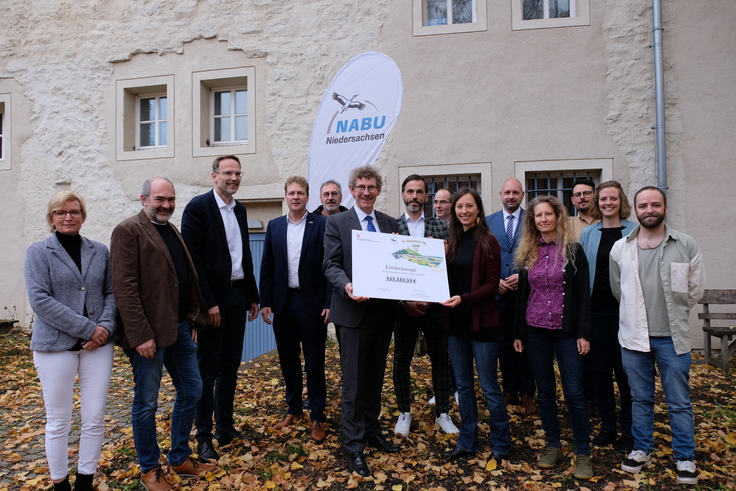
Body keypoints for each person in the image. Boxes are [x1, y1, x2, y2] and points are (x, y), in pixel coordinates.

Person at [111, 178, 216, 491]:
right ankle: (148, 469)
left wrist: (192, 321)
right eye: (160, 199)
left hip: (179, 329)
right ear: (144, 198)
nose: (167, 205)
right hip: (148, 336)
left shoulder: (170, 229)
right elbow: (124, 288)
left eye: (171, 199)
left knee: (193, 390)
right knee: (146, 403)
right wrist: (140, 334)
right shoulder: (128, 231)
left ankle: (179, 456)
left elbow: (185, 279)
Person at [610, 186, 705, 485]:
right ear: (635, 209)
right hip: (634, 337)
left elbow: (694, 290)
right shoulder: (620, 248)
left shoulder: (685, 244)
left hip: (671, 338)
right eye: (643, 205)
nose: (649, 209)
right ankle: (642, 449)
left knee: (679, 401)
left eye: (655, 204)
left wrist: (672, 315)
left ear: (664, 207)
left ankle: (684, 457)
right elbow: (618, 290)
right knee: (640, 399)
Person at [24, 192, 117, 491]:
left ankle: (85, 481)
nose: (68, 217)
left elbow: (111, 293)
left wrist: (104, 327)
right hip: (54, 346)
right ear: (51, 217)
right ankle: (60, 484)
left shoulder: (99, 251)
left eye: (75, 212)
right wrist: (88, 329)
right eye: (61, 212)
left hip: (97, 348)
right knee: (59, 420)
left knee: (94, 417)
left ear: (83, 215)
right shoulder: (38, 252)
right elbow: (40, 300)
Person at [323, 165, 400, 477]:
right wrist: (346, 286)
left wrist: (398, 250)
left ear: (378, 191)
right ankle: (354, 444)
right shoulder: (338, 222)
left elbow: (400, 265)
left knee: (374, 377)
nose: (366, 192)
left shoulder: (389, 223)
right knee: (354, 380)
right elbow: (330, 264)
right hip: (352, 314)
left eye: (372, 187)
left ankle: (371, 429)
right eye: (361, 187)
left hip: (382, 314)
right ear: (352, 190)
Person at [181, 155, 259, 461]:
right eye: (228, 173)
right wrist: (208, 302)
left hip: (238, 297)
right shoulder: (198, 208)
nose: (234, 178)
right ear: (214, 176)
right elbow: (193, 261)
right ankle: (203, 437)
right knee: (207, 371)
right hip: (212, 301)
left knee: (230, 367)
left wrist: (252, 294)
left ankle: (224, 427)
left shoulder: (239, 209)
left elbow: (242, 256)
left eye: (238, 173)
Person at [513, 195, 593, 480]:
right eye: (538, 216)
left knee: (574, 392)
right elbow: (523, 295)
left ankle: (583, 451)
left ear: (558, 217)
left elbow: (584, 294)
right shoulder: (527, 252)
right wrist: (519, 332)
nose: (543, 219)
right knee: (544, 392)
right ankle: (554, 445)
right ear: (532, 221)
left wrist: (584, 332)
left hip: (566, 333)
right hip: (535, 332)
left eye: (548, 214)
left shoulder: (573, 251)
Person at [439, 188, 510, 462]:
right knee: (464, 388)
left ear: (478, 209)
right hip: (455, 324)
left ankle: (501, 443)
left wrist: (463, 299)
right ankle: (467, 442)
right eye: (459, 207)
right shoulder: (452, 241)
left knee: (490, 387)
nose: (464, 211)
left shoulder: (489, 241)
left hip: (483, 325)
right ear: (454, 211)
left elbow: (492, 286)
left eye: (469, 206)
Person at [259, 176, 331, 443]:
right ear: (286, 197)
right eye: (291, 193)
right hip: (283, 304)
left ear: (307, 197)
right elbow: (267, 266)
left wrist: (328, 302)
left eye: (301, 193)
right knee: (288, 360)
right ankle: (293, 409)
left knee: (314, 362)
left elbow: (329, 265)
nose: (296, 197)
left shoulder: (321, 224)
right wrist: (265, 300)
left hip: (311, 303)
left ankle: (317, 416)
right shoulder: (275, 226)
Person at [393, 174, 458, 437]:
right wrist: (404, 301)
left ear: (426, 197)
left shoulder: (441, 227)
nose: (415, 197)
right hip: (405, 306)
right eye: (410, 191)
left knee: (440, 358)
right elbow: (389, 271)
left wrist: (446, 254)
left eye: (420, 192)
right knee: (401, 359)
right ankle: (403, 412)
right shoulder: (392, 226)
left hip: (436, 305)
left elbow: (451, 267)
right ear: (403, 195)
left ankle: (443, 411)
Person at [579, 181, 636, 451]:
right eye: (603, 199)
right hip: (597, 310)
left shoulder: (634, 230)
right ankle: (608, 425)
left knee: (625, 372)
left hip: (626, 310)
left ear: (620, 200)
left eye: (613, 198)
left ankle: (629, 427)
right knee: (600, 370)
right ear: (597, 202)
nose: (608, 203)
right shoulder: (589, 234)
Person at [485, 178, 537, 415]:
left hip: (527, 293)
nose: (511, 196)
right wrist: (493, 282)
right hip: (499, 293)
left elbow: (539, 253)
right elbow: (484, 257)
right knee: (505, 344)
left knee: (526, 344)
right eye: (507, 192)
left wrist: (523, 276)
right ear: (500, 194)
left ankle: (528, 393)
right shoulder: (488, 222)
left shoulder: (534, 220)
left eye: (515, 192)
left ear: (522, 194)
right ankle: (509, 390)